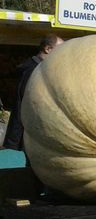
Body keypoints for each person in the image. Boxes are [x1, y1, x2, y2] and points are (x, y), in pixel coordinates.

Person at [3, 34, 64, 163]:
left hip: (29, 134)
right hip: (27, 135)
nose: (63, 54)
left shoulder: (36, 69)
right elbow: (26, 105)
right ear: (48, 49)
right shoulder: (32, 71)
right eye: (60, 49)